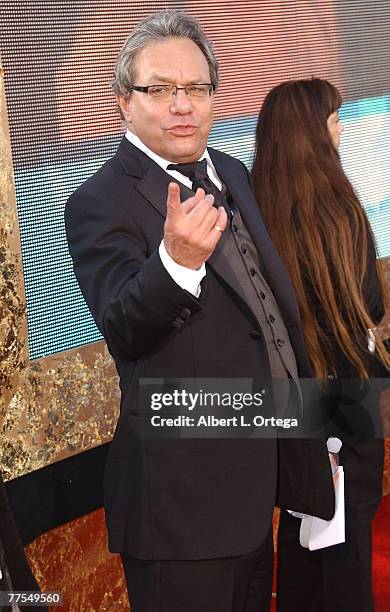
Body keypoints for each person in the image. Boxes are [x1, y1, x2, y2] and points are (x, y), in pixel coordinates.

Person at [65, 13, 334, 612]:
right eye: (159, 89)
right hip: (177, 508)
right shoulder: (99, 201)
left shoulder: (232, 171)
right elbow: (123, 327)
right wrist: (176, 262)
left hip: (255, 485)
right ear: (123, 104)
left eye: (195, 88)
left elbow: (269, 321)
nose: (180, 105)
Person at [251, 77, 390, 612]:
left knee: (300, 539)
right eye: (334, 120)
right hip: (348, 406)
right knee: (349, 548)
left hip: (290, 409)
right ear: (313, 132)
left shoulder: (254, 212)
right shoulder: (341, 211)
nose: (341, 131)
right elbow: (371, 306)